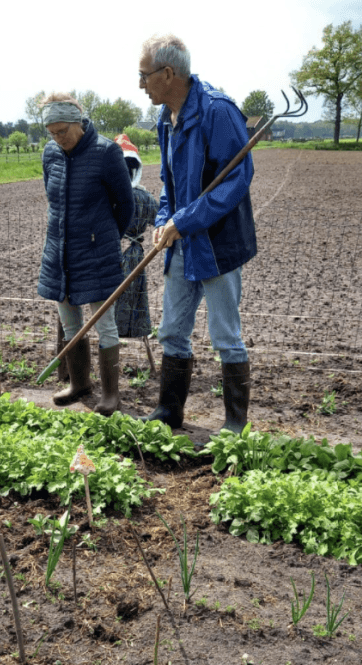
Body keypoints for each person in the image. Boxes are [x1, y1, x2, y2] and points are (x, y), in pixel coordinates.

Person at [138, 34, 256, 434]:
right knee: (172, 330)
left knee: (225, 334)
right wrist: (163, 220)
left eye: (144, 76)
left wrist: (183, 222)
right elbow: (170, 184)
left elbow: (236, 180)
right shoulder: (165, 119)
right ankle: (169, 412)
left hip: (217, 243)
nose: (140, 84)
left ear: (168, 73)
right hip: (181, 240)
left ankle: (235, 425)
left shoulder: (217, 112)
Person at [37, 93, 134, 416]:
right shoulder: (50, 154)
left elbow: (126, 205)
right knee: (69, 322)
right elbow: (53, 199)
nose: (58, 138)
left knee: (104, 323)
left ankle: (111, 394)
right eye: (52, 132)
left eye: (62, 130)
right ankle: (79, 384)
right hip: (60, 252)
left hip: (96, 254)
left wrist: (103, 240)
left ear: (78, 123)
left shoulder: (106, 152)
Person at [113, 134, 159, 338]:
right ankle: (136, 330)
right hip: (137, 256)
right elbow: (160, 220)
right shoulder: (145, 197)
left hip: (115, 253)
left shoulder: (109, 199)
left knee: (115, 294)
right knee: (137, 293)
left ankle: (115, 333)